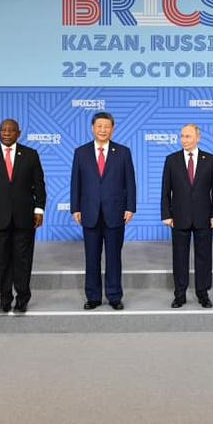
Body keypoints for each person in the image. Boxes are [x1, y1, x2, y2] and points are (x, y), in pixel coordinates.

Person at [0, 119, 46, 313]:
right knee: (3, 260)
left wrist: (39, 209)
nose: (7, 133)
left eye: (11, 130)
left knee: (23, 260)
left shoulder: (30, 155)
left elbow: (39, 185)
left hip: (25, 217)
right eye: (3, 130)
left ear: (19, 133)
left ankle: (23, 297)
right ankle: (4, 298)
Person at [71, 112, 136, 310]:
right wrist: (75, 208)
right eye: (99, 126)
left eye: (106, 127)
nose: (102, 130)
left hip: (115, 212)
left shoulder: (123, 152)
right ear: (92, 128)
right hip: (89, 212)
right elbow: (76, 182)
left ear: (112, 129)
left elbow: (130, 182)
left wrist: (130, 207)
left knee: (114, 257)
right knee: (91, 257)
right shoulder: (81, 152)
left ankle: (114, 296)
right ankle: (93, 297)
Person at [161, 124, 213, 308]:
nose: (184, 140)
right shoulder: (171, 160)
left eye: (188, 136)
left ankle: (203, 293)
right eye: (182, 136)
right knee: (179, 257)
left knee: (204, 256)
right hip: (179, 217)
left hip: (204, 217)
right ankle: (179, 294)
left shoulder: (210, 160)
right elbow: (165, 190)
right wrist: (166, 214)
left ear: (198, 138)